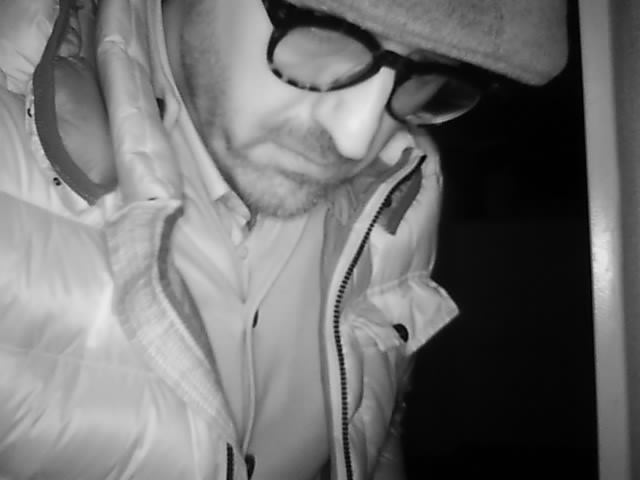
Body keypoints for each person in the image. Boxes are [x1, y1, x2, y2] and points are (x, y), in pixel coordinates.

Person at [0, 0, 567, 478]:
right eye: (324, 33)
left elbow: (374, 433)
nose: (356, 138)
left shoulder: (401, 188)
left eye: (429, 74)